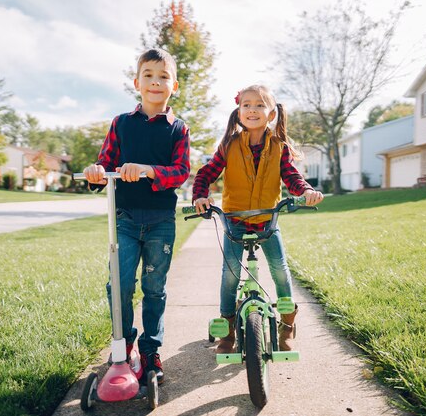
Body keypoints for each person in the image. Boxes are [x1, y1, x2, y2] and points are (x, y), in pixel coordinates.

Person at [83, 48, 190, 383]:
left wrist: (148, 170)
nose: (155, 82)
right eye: (149, 75)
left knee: (154, 287)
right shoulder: (121, 124)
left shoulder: (178, 129)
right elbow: (106, 162)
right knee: (119, 283)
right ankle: (124, 340)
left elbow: (181, 171)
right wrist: (96, 171)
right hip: (126, 220)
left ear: (174, 86)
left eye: (163, 77)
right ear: (137, 82)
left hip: (160, 221)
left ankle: (150, 349)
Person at [192, 85, 323, 353]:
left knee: (280, 271)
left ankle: (287, 326)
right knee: (230, 275)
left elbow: (292, 177)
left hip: (267, 220)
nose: (252, 109)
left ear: (271, 113)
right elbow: (205, 174)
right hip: (234, 220)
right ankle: (228, 331)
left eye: (260, 105)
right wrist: (200, 197)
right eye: (247, 105)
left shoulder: (279, 147)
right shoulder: (228, 145)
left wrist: (306, 191)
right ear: (239, 111)